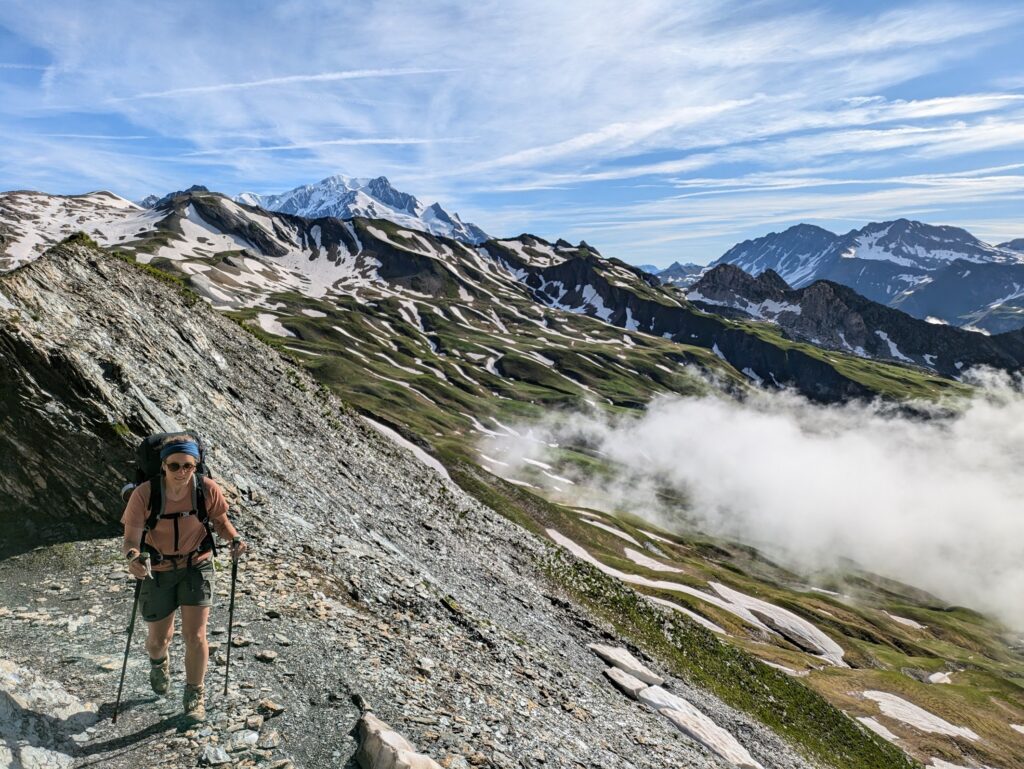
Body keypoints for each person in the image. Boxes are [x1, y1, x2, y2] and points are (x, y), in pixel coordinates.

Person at [120, 434, 247, 722]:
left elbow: (221, 522)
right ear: (163, 465)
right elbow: (130, 538)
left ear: (196, 464)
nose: (181, 472)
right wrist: (133, 558)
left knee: (196, 635)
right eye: (174, 466)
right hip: (158, 570)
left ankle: (194, 694)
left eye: (188, 466)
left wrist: (235, 538)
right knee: (158, 639)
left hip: (196, 565)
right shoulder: (145, 494)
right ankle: (158, 662)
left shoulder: (206, 489)